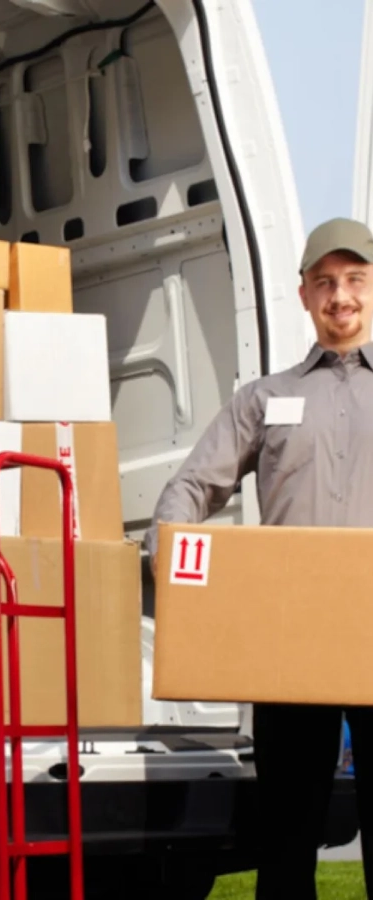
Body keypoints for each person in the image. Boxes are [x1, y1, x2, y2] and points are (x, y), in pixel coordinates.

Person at [144, 217, 373, 899]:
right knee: (286, 836)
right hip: (287, 649)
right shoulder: (265, 399)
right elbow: (190, 487)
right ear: (302, 294)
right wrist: (172, 555)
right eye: (326, 283)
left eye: (355, 281)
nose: (341, 297)